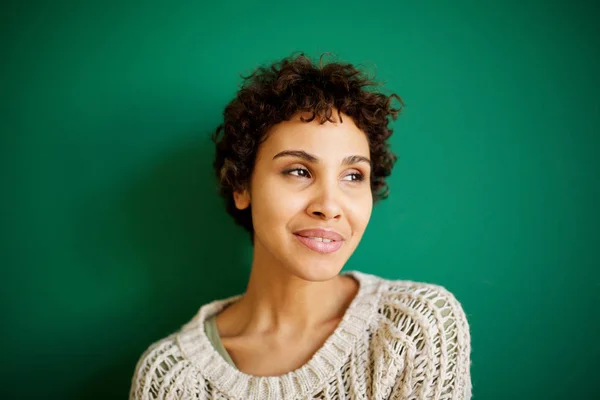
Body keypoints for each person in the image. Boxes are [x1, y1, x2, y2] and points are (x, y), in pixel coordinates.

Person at [129, 52, 472, 399]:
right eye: (299, 171)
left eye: (353, 176)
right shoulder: (171, 378)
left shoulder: (416, 327)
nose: (329, 206)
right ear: (242, 186)